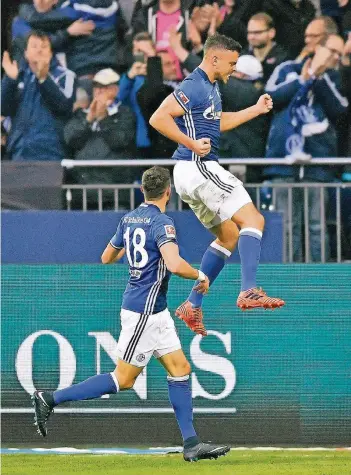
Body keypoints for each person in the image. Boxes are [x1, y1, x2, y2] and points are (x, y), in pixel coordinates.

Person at [32, 166, 231, 463]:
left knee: (180, 369)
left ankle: (191, 445)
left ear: (142, 190)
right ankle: (49, 398)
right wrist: (201, 276)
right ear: (169, 191)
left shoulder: (128, 219)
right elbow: (175, 265)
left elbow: (106, 257)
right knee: (123, 379)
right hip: (145, 312)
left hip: (155, 310)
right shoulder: (162, 223)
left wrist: (135, 251)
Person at [149, 33, 285, 333]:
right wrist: (191, 143)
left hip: (189, 174)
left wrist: (254, 110)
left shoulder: (209, 87)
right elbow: (158, 118)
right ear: (213, 58)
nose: (233, 70)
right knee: (253, 219)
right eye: (231, 63)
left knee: (228, 236)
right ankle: (248, 289)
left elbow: (217, 122)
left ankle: (192, 305)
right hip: (197, 166)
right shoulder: (194, 84)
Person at [264, 32, 348, 262]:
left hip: (316, 164)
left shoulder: (332, 77)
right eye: (332, 51)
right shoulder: (287, 68)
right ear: (317, 47)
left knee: (317, 226)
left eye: (339, 54)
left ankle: (318, 283)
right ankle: (288, 280)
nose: (335, 58)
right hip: (283, 162)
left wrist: (317, 79)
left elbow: (340, 109)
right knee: (288, 225)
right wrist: (303, 79)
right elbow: (269, 97)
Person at [64, 68, 135, 209]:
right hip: (82, 193)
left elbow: (120, 141)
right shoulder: (81, 114)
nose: (99, 91)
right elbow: (71, 140)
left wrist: (103, 119)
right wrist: (88, 120)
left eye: (104, 88)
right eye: (96, 87)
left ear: (115, 90)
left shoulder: (125, 114)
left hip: (114, 194)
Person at [1, 31, 76, 161]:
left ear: (51, 53)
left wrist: (44, 79)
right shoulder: (17, 76)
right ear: (26, 53)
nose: (39, 50)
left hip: (50, 152)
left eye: (44, 47)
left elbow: (65, 106)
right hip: (19, 151)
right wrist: (10, 81)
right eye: (34, 46)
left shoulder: (65, 75)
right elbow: (3, 109)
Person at [242, 12, 290, 83]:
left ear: (271, 33)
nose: (251, 37)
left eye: (257, 32)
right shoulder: (242, 57)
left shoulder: (283, 58)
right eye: (249, 32)